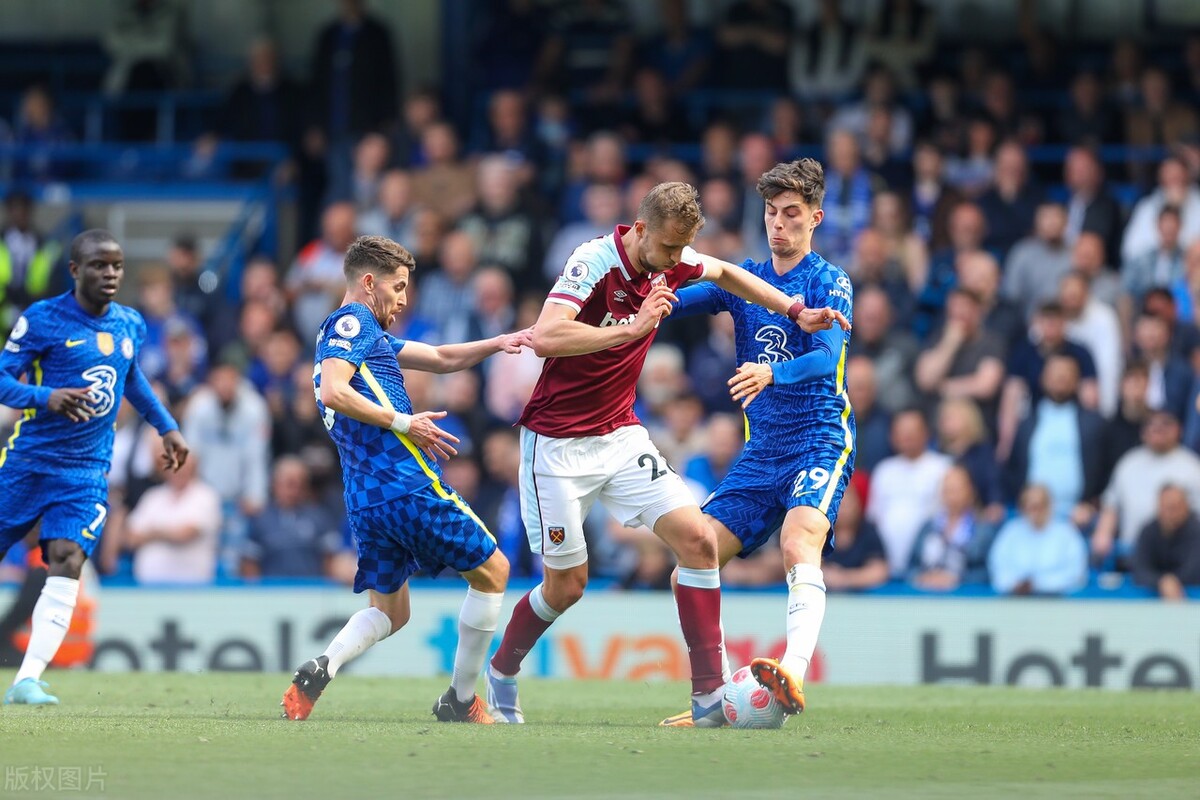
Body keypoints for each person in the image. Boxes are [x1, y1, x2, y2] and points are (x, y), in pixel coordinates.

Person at [485, 181, 847, 728]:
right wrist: (632, 327)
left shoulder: (810, 278)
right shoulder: (592, 259)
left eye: (684, 252)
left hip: (624, 435)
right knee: (567, 584)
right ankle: (502, 669)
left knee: (700, 543)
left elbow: (725, 274)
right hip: (557, 445)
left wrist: (795, 310)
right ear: (640, 230)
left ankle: (711, 700)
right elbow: (545, 335)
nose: (676, 265)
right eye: (669, 251)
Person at [280, 235, 531, 724]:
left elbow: (438, 358)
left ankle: (323, 665)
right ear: (368, 283)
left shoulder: (360, 334)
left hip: (366, 497)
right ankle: (460, 701)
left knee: (393, 612)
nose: (404, 298)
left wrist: (499, 342)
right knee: (494, 572)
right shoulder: (352, 323)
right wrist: (404, 422)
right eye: (398, 287)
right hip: (406, 481)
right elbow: (333, 392)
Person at [659, 158, 856, 723]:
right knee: (691, 561)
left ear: (815, 218)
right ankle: (719, 699)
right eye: (771, 213)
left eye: (792, 214)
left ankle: (792, 670)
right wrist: (642, 300)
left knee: (799, 542)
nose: (779, 225)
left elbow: (827, 358)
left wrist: (773, 372)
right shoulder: (744, 278)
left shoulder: (829, 280)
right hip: (762, 449)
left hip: (819, 436)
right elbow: (681, 299)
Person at [0, 229, 188, 704]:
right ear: (74, 271)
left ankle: (27, 678)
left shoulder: (130, 324)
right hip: (29, 462)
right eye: (99, 266)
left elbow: (134, 380)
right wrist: (48, 397)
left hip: (85, 471)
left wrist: (166, 425)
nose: (109, 274)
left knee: (67, 558)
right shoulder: (42, 319)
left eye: (116, 266)